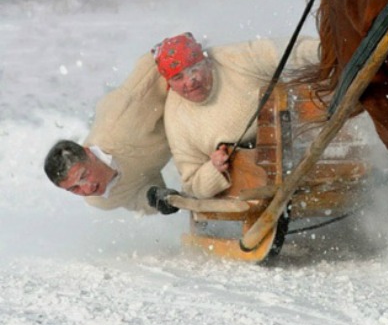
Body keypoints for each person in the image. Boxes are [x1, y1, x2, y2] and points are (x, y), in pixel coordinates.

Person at [148, 32, 319, 211]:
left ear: (207, 62)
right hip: (249, 181)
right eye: (178, 78)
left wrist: (324, 51)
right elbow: (192, 184)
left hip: (300, 136)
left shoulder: (233, 59)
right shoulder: (176, 118)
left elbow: (288, 52)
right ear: (170, 85)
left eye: (194, 69)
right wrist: (213, 169)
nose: (190, 81)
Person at [44, 53, 170, 214]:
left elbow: (155, 64)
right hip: (173, 142)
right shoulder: (100, 199)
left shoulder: (121, 121)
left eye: (83, 176)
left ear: (89, 154)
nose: (87, 189)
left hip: (183, 101)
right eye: (74, 189)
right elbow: (134, 196)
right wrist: (154, 199)